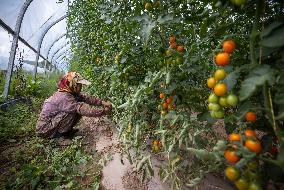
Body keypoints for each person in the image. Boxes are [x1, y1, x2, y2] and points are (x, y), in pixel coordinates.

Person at [36, 71, 112, 139]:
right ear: (73, 85)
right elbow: (82, 109)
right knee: (76, 110)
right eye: (79, 85)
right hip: (45, 129)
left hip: (51, 124)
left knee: (76, 108)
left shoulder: (70, 92)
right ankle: (62, 134)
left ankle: (65, 131)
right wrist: (103, 112)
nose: (81, 87)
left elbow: (86, 98)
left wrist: (102, 102)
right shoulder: (64, 97)